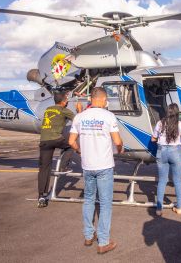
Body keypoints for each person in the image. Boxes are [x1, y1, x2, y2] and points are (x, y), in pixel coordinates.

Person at [69, 87, 123, 254]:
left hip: (87, 166)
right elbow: (117, 141)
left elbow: (71, 141)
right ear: (103, 99)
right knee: (105, 203)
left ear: (91, 99)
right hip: (104, 166)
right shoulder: (108, 116)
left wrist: (79, 151)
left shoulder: (79, 117)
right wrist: (120, 149)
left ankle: (88, 235)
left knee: (89, 199)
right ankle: (103, 242)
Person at [38, 91, 75, 208]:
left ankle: (42, 196)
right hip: (56, 139)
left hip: (44, 141)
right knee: (71, 145)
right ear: (63, 101)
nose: (68, 101)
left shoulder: (48, 109)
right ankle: (64, 165)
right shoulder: (64, 110)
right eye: (67, 99)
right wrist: (79, 110)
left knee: (44, 168)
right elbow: (78, 119)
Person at [151, 103, 181, 216]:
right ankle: (179, 208)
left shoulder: (160, 123)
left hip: (161, 152)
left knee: (162, 181)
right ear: (177, 113)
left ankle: (159, 209)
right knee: (177, 181)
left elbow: (153, 139)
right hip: (175, 152)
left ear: (167, 112)